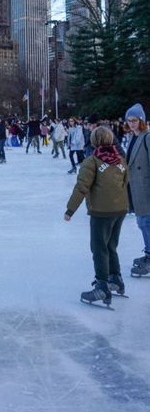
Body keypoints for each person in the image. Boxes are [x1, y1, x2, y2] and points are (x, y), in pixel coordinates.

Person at [64, 126, 129, 307]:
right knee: (111, 245)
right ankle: (115, 279)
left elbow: (81, 187)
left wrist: (70, 210)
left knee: (99, 247)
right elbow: (126, 182)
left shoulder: (91, 161)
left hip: (102, 211)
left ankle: (102, 286)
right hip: (120, 209)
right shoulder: (120, 160)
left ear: (93, 141)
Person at [124, 103, 150, 277]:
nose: (131, 123)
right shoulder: (133, 137)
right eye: (129, 120)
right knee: (142, 223)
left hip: (145, 187)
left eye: (134, 120)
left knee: (145, 223)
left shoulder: (147, 137)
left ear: (141, 120)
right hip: (136, 186)